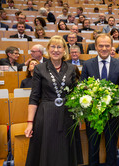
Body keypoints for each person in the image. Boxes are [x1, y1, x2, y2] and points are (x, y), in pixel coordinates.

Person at [24, 35, 83, 166]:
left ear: (64, 51)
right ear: (48, 49)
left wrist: (78, 117)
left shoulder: (72, 68)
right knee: (47, 151)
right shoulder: (40, 68)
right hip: (46, 115)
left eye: (59, 47)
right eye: (53, 46)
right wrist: (29, 123)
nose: (56, 50)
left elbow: (75, 95)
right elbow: (34, 97)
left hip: (67, 114)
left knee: (64, 150)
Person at [80, 33, 119, 166]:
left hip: (112, 113)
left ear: (112, 46)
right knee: (93, 147)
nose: (104, 48)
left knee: (111, 147)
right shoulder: (88, 64)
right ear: (96, 46)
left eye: (107, 45)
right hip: (93, 114)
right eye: (101, 45)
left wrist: (112, 100)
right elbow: (82, 85)